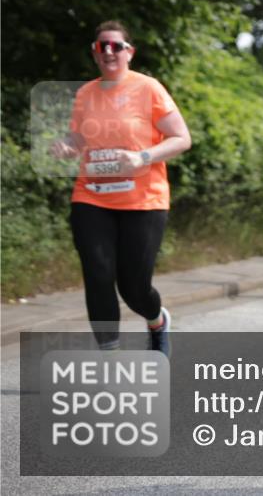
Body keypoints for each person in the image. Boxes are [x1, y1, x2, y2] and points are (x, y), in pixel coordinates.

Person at [49, 21, 191, 355]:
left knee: (135, 288)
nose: (108, 51)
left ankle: (157, 321)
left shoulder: (149, 88)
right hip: (91, 195)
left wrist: (142, 156)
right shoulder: (85, 93)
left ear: (129, 52)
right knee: (97, 273)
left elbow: (181, 138)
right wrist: (67, 146)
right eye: (102, 46)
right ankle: (109, 356)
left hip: (143, 200)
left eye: (115, 46)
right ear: (95, 53)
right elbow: (79, 137)